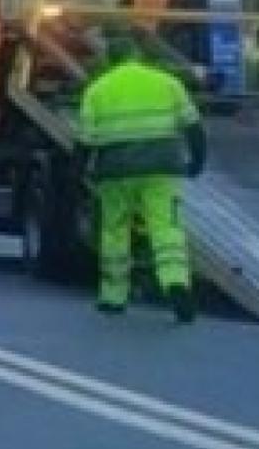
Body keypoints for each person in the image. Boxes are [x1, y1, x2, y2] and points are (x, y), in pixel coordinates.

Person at [79, 29, 206, 322]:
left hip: (116, 170)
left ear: (109, 60)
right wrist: (196, 162)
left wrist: (82, 172)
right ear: (137, 55)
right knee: (166, 228)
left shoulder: (98, 90)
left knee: (115, 230)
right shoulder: (167, 82)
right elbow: (194, 127)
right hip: (161, 167)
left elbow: (84, 141)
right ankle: (175, 282)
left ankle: (113, 297)